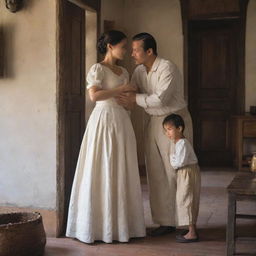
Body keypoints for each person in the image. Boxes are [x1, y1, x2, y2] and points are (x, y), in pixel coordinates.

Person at [66, 30, 146, 244]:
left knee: (121, 168)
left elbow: (126, 97)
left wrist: (128, 96)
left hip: (121, 120)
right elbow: (94, 96)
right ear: (110, 46)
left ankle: (120, 226)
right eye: (123, 46)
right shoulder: (98, 68)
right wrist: (121, 89)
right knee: (101, 166)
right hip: (103, 120)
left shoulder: (123, 71)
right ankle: (97, 227)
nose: (126, 50)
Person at [117, 32, 193, 236]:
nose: (131, 54)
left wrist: (134, 98)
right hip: (152, 122)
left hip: (173, 121)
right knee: (156, 173)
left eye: (135, 50)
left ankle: (185, 222)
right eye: (131, 49)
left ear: (149, 51)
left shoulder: (168, 67)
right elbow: (130, 91)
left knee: (176, 171)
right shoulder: (139, 70)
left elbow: (160, 100)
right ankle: (165, 221)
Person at [162, 114, 200, 243]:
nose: (167, 133)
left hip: (187, 173)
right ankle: (191, 228)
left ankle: (192, 233)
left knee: (187, 200)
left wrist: (172, 158)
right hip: (184, 173)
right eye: (165, 130)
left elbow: (179, 162)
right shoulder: (179, 143)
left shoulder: (182, 143)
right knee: (184, 199)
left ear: (180, 128)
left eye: (169, 129)